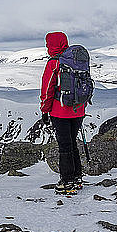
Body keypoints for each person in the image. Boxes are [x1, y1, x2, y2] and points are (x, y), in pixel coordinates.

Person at [39, 31, 85, 194]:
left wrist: (45, 110)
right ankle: (77, 177)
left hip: (60, 111)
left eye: (47, 44)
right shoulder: (77, 60)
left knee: (64, 146)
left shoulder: (54, 63)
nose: (46, 47)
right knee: (72, 144)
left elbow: (47, 90)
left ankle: (67, 181)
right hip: (78, 109)